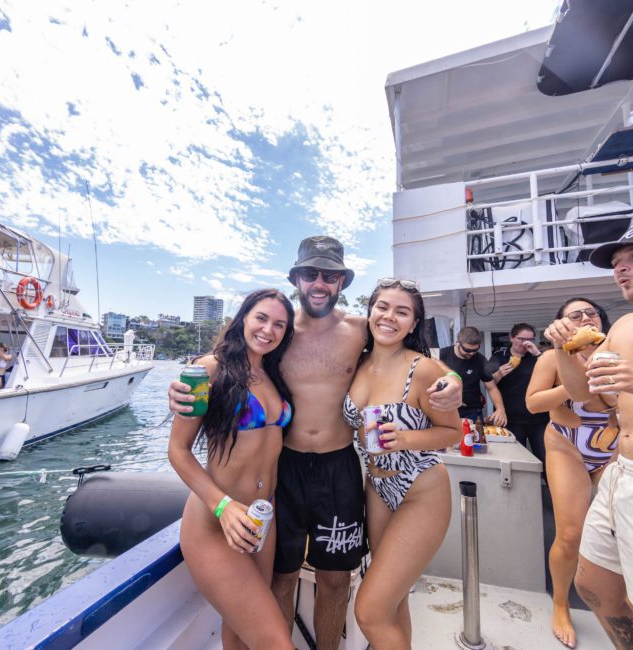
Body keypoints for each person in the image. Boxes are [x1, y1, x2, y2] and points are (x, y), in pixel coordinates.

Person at [169, 235, 463, 650]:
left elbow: (415, 359)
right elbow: (229, 369)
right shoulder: (280, 336)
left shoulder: (361, 330)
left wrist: (455, 383)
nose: (320, 283)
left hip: (338, 465)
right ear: (297, 279)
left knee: (336, 577)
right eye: (311, 274)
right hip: (282, 472)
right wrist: (181, 391)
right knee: (282, 576)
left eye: (330, 275)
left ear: (342, 281)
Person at [168, 288, 296, 650]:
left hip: (259, 521)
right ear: (243, 319)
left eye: (279, 324)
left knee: (239, 633)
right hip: (215, 522)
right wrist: (222, 507)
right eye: (261, 318)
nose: (268, 330)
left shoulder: (273, 373)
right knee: (276, 642)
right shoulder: (211, 368)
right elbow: (178, 451)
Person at [343, 278, 461, 649]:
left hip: (420, 489)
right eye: (382, 307)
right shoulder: (357, 364)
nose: (389, 317)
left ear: (414, 323)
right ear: (370, 312)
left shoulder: (424, 369)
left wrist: (406, 438)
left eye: (402, 311)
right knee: (394, 601)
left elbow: (452, 432)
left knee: (370, 610)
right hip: (377, 488)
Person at [544, 225, 633, 649]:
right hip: (622, 469)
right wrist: (566, 352)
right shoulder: (624, 326)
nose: (621, 270)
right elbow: (588, 393)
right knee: (595, 584)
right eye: (617, 266)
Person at [526, 297, 617, 648]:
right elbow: (534, 403)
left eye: (590, 313)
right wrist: (573, 378)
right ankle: (561, 603)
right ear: (561, 324)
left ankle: (618, 601)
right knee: (570, 533)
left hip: (612, 445)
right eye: (573, 315)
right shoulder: (552, 357)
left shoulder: (617, 350)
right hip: (568, 444)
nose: (583, 317)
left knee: (618, 531)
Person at [488, 323, 548, 465]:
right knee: (515, 460)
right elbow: (489, 384)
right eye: (521, 339)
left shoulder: (538, 357)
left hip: (539, 418)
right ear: (511, 338)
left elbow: (553, 373)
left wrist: (537, 354)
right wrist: (499, 374)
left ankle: (549, 486)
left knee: (545, 458)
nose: (526, 343)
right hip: (511, 418)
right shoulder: (498, 357)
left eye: (530, 339)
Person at [439, 325, 507, 426]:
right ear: (457, 343)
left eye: (475, 350)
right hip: (444, 409)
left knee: (473, 440)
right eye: (467, 350)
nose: (471, 354)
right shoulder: (441, 355)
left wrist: (500, 408)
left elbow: (491, 387)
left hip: (471, 411)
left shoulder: (480, 360)